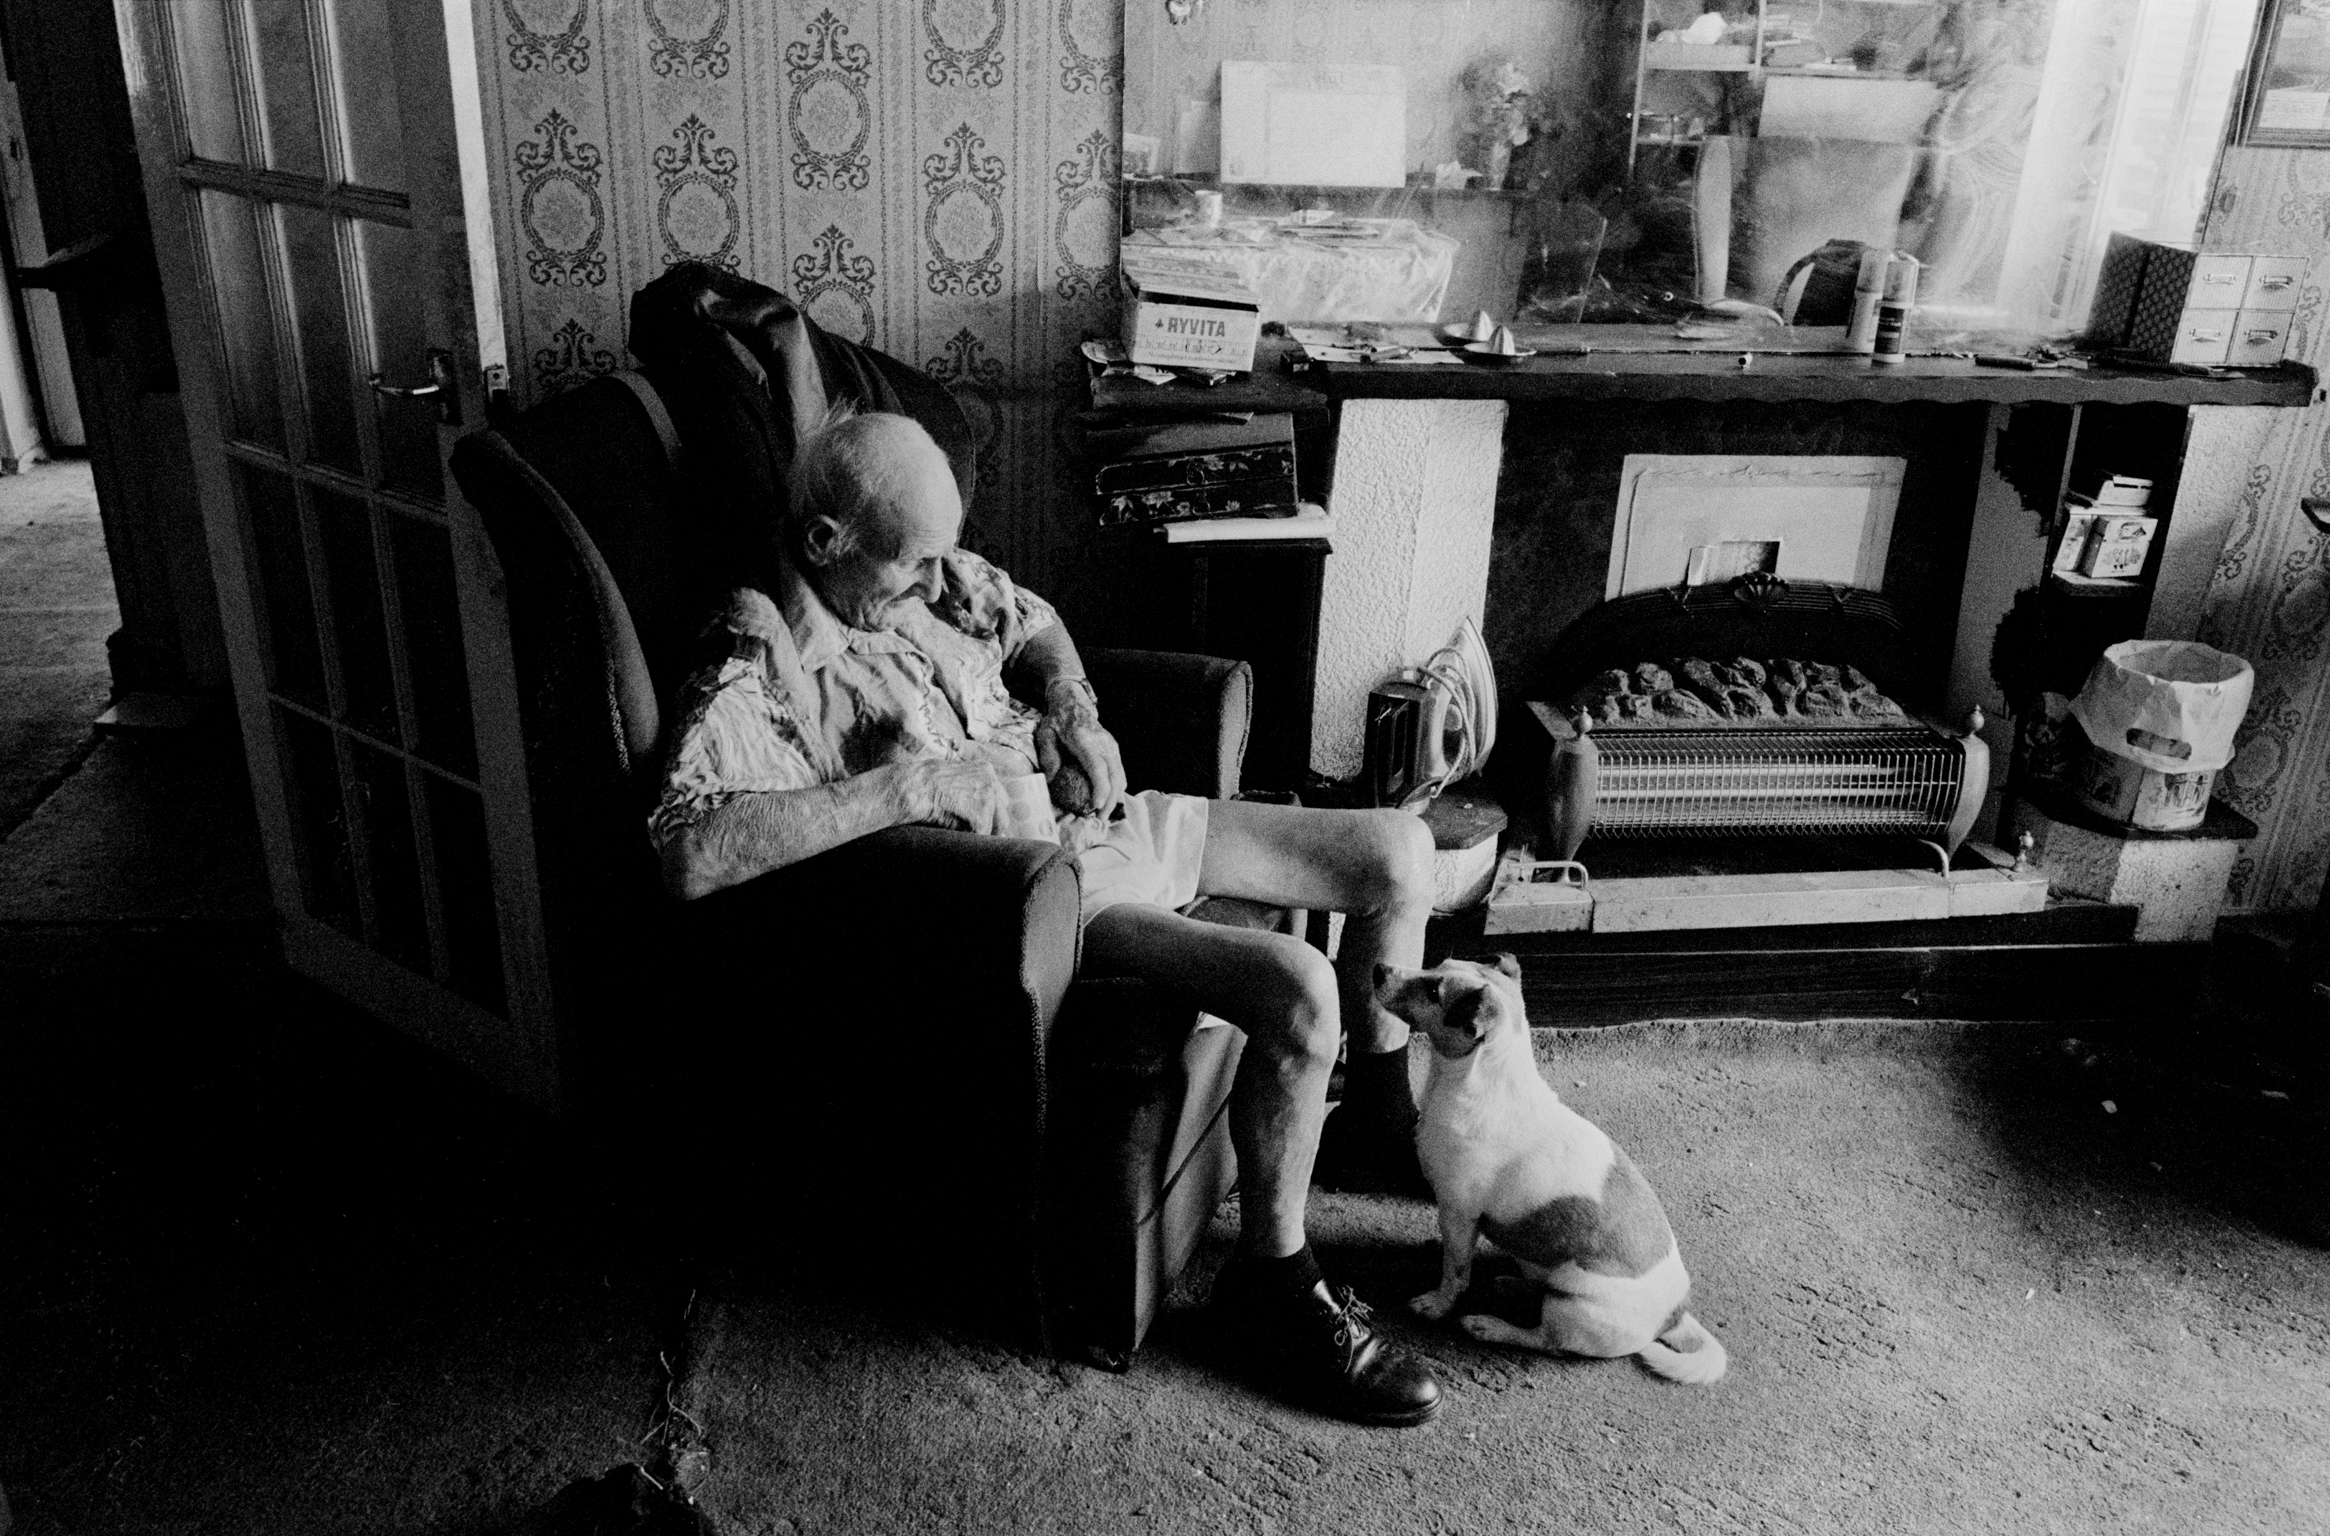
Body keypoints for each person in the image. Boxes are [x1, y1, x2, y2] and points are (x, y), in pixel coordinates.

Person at [649, 410, 1442, 1426]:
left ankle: (1376, 1127)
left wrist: (1074, 710)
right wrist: (913, 790)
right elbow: (685, 850)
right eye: (920, 561)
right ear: (824, 543)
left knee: (1398, 856)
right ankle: (1271, 1285)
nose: (947, 581)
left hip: (1113, 824)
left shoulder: (938, 576)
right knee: (1297, 990)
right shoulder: (758, 649)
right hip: (1049, 899)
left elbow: (1033, 624)